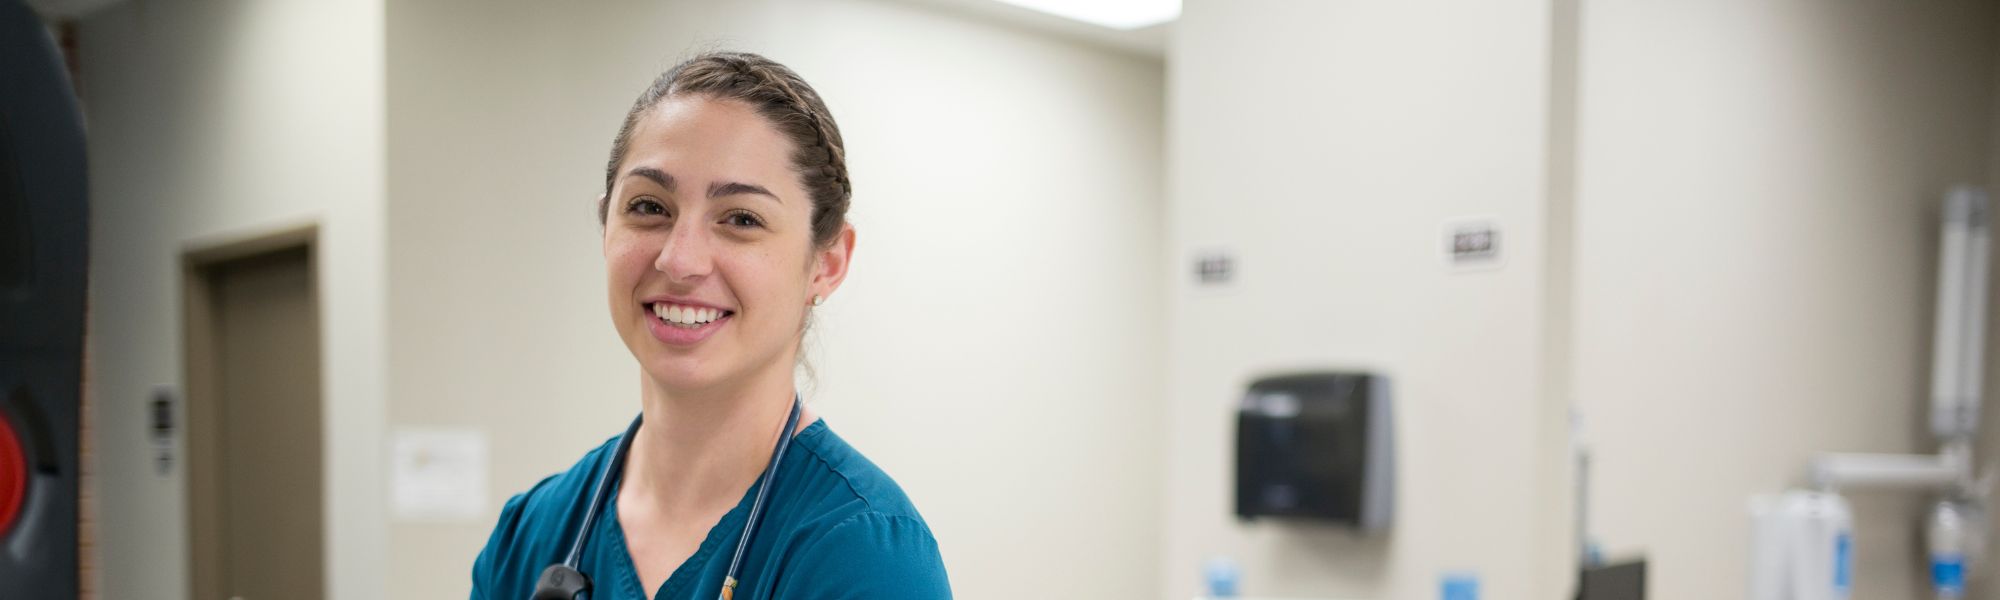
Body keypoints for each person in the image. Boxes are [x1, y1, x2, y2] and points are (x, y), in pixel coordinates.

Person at [471, 51, 951, 600]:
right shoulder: (531, 536)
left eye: (741, 219)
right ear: (606, 227)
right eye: (650, 207)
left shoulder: (861, 554)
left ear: (828, 262)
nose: (680, 260)